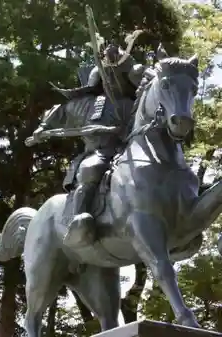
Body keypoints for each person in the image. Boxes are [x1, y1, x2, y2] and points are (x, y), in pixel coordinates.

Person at [31, 42, 149, 247]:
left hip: (127, 151)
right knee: (90, 169)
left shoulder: (132, 104)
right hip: (99, 152)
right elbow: (60, 110)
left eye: (117, 76)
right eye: (108, 77)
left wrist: (122, 131)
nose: (113, 82)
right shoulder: (85, 104)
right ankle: (80, 221)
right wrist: (42, 128)